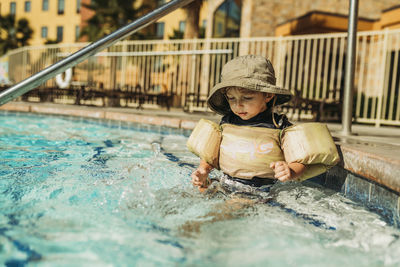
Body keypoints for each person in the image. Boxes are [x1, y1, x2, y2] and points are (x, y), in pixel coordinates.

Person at [187, 55, 339, 193]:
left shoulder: (279, 125)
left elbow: (301, 160)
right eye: (231, 98)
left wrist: (290, 171)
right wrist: (203, 170)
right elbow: (210, 155)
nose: (238, 105)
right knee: (199, 190)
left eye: (247, 98)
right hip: (224, 182)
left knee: (232, 207)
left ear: (268, 95)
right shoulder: (227, 121)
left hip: (257, 191)